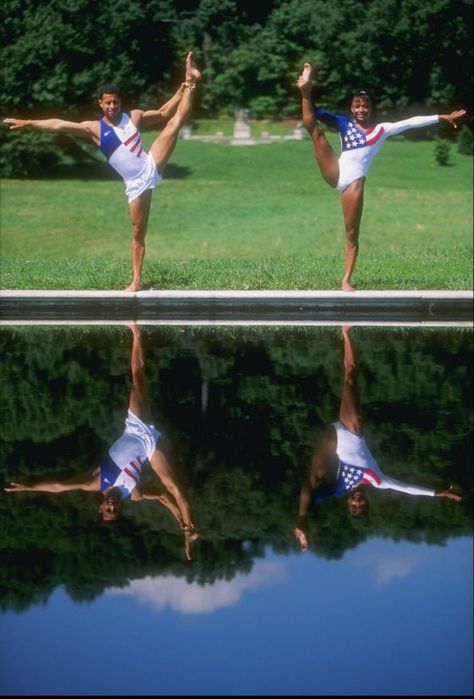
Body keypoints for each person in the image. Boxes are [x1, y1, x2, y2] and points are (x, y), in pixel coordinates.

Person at [3, 52, 202, 292]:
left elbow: (164, 113)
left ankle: (192, 81)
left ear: (120, 103)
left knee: (174, 124)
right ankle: (137, 280)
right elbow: (58, 124)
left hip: (150, 163)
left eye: (115, 102)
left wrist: (183, 88)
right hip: (135, 183)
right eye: (107, 103)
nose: (111, 106)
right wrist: (29, 123)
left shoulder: (134, 117)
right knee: (138, 231)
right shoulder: (94, 129)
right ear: (100, 104)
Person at [4, 323, 200, 561]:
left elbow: (59, 487)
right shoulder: (134, 494)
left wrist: (29, 487)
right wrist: (178, 518)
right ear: (119, 510)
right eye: (114, 511)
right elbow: (161, 496)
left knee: (138, 379)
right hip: (150, 448)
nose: (111, 507)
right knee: (175, 488)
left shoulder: (95, 482)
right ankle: (189, 530)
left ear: (101, 507)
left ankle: (135, 332)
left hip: (135, 427)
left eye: (107, 510)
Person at [296, 63, 466, 291]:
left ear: (370, 109)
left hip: (354, 183)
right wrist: (307, 96)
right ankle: (305, 89)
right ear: (352, 109)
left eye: (365, 106)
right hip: (335, 171)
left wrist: (441, 117)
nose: (361, 109)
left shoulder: (382, 130)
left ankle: (346, 280)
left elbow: (410, 122)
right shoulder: (343, 123)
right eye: (357, 106)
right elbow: (316, 113)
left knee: (351, 234)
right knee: (316, 132)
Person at [293, 325, 462, 552]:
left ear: (348, 503)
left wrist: (304, 515)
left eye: (354, 507)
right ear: (367, 502)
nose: (357, 503)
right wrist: (436, 492)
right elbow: (408, 489)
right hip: (350, 429)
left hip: (331, 441)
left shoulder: (341, 488)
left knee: (313, 482)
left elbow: (311, 494)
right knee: (350, 377)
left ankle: (302, 523)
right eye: (361, 506)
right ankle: (345, 332)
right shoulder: (379, 481)